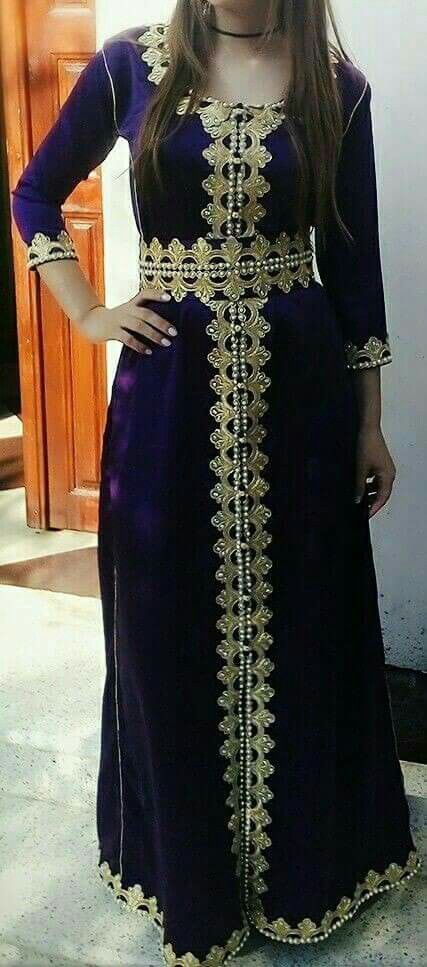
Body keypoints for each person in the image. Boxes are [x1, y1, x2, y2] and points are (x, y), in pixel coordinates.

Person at [11, 1, 421, 964]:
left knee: (309, 617)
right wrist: (88, 312)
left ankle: (307, 869)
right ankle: (186, 869)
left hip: (302, 397)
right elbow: (34, 194)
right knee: (165, 619)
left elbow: (353, 268)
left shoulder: (336, 86)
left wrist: (368, 424)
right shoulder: (129, 65)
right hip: (168, 394)